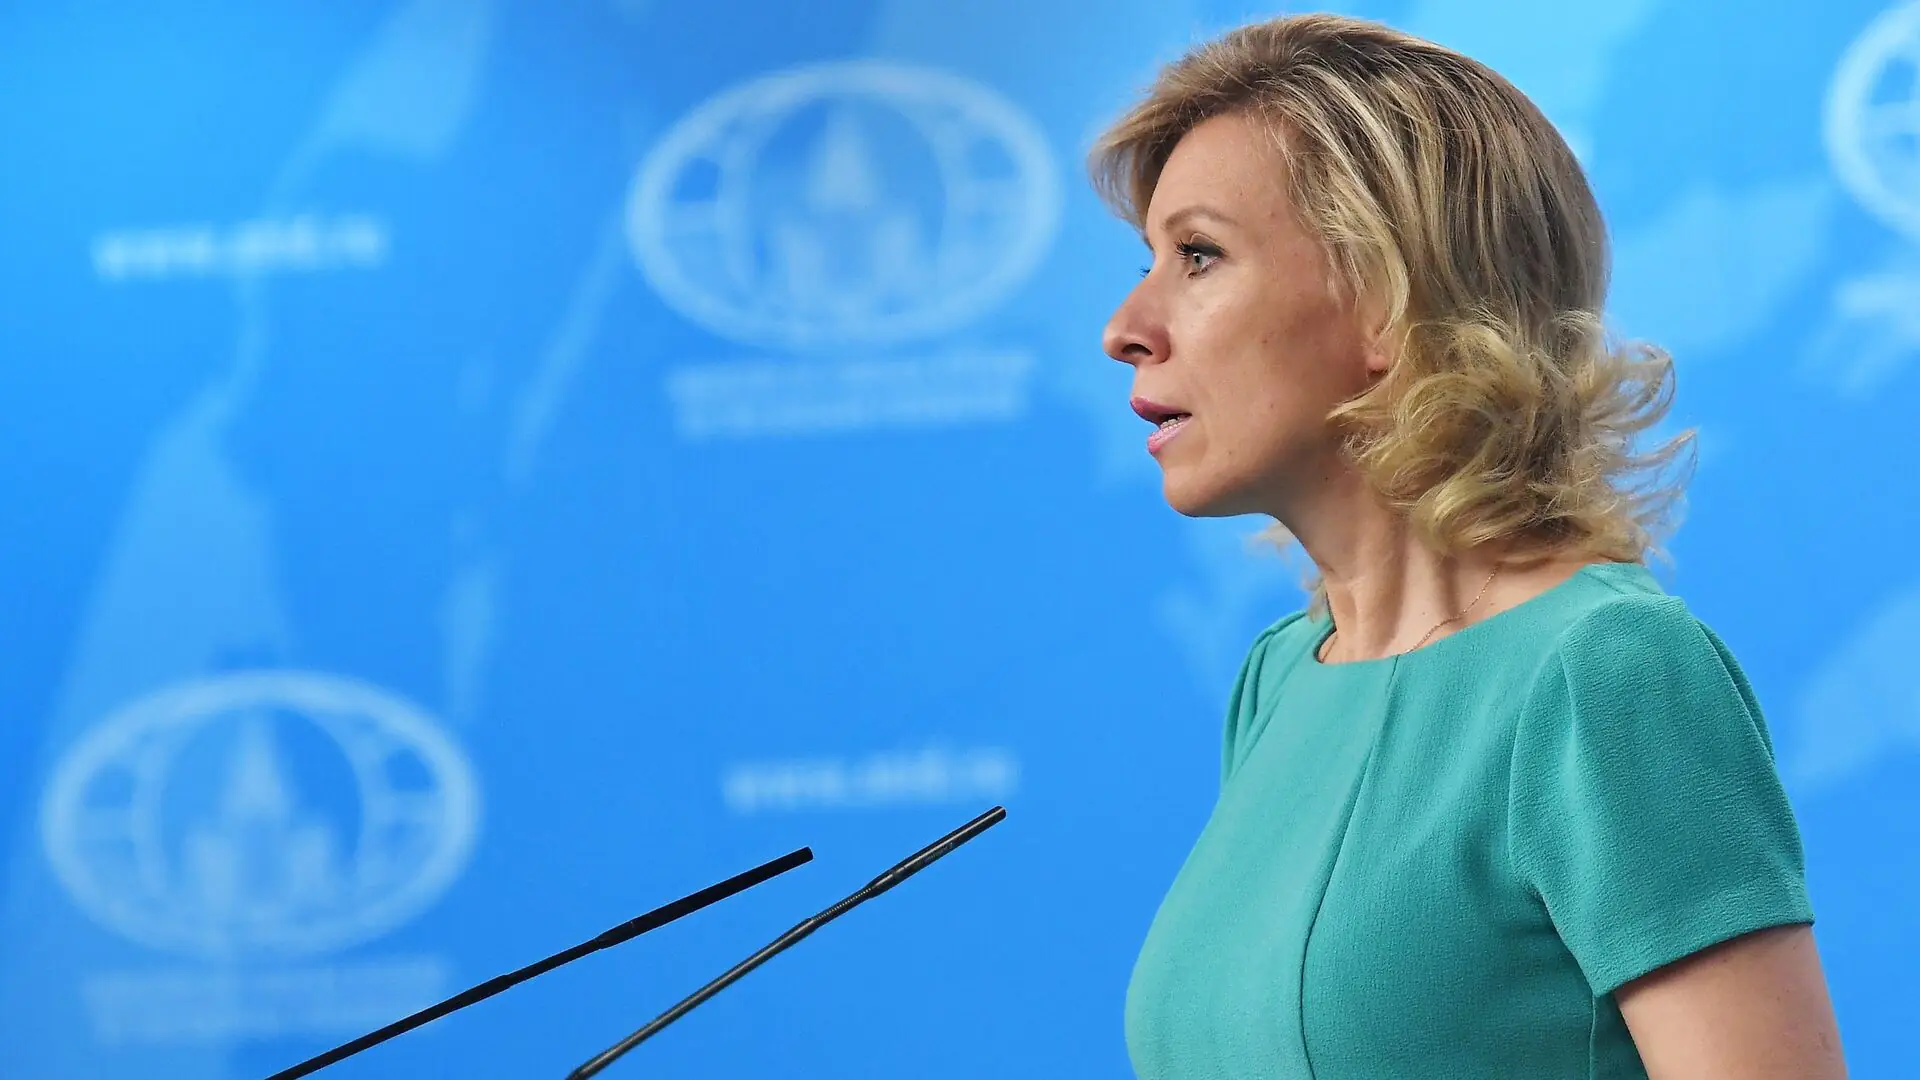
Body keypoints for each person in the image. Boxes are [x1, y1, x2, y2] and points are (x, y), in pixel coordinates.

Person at [1093, 14, 1846, 1080]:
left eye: (1198, 256)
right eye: (1150, 260)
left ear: (1392, 300)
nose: (1124, 327)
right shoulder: (1280, 682)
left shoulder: (1605, 673)